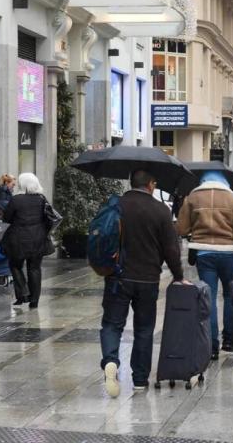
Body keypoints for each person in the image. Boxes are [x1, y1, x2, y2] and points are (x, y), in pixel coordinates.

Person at [100, 169, 187, 397]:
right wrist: (178, 276)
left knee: (112, 324)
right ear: (151, 184)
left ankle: (110, 360)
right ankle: (139, 379)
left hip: (117, 276)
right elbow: (171, 249)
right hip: (147, 278)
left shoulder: (116, 205)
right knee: (144, 329)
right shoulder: (160, 210)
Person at [177, 171, 233, 359]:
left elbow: (181, 228)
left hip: (204, 254)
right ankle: (229, 340)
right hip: (228, 254)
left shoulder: (193, 197)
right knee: (230, 296)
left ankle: (211, 345)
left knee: (209, 297)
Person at [2, 173, 51, 309]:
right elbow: (49, 218)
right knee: (35, 268)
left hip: (18, 239)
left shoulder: (16, 199)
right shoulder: (41, 199)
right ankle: (34, 300)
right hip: (38, 238)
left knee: (15, 265)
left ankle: (22, 293)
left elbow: (7, 218)